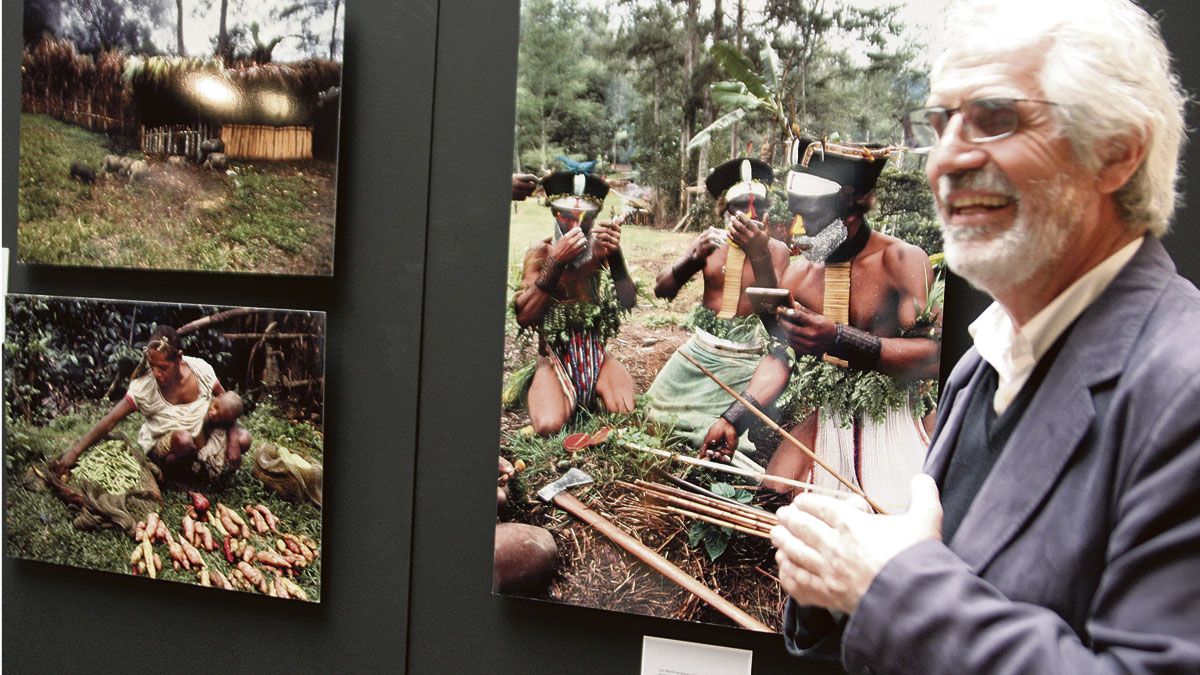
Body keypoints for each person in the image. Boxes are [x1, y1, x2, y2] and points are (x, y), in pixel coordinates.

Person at [770, 1, 1200, 672]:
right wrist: (838, 580)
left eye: (997, 118)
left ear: (1116, 152)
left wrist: (889, 584)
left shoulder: (1184, 389)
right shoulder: (985, 362)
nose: (948, 159)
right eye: (942, 123)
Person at [701, 139, 941, 511]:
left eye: (809, 216)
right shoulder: (802, 274)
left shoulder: (900, 260)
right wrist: (734, 418)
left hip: (898, 418)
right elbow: (781, 353)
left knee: (896, 517)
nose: (798, 228)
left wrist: (840, 338)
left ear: (848, 207)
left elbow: (937, 355)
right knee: (771, 501)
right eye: (795, 213)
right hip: (832, 418)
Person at [645, 158, 790, 454]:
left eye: (758, 207)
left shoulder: (777, 250)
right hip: (701, 351)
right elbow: (662, 290)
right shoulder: (709, 245)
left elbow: (773, 316)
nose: (749, 214)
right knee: (651, 412)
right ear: (724, 210)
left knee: (733, 429)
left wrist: (759, 254)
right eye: (740, 206)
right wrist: (692, 258)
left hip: (747, 358)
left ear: (767, 212)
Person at [513, 170, 635, 435]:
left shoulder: (600, 251)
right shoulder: (541, 252)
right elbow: (524, 317)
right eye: (567, 216)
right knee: (548, 426)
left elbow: (628, 302)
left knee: (626, 410)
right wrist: (556, 261)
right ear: (554, 214)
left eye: (585, 217)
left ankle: (591, 393)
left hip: (596, 353)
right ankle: (553, 390)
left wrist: (615, 256)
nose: (576, 225)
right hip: (554, 356)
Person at [51, 325, 252, 483]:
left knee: (244, 439)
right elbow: (110, 420)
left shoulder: (201, 369)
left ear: (178, 359)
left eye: (162, 367)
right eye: (152, 365)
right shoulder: (143, 387)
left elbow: (228, 406)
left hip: (202, 438)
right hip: (169, 447)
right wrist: (75, 452)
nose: (156, 373)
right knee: (183, 439)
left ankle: (200, 466)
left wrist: (233, 441)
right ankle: (182, 473)